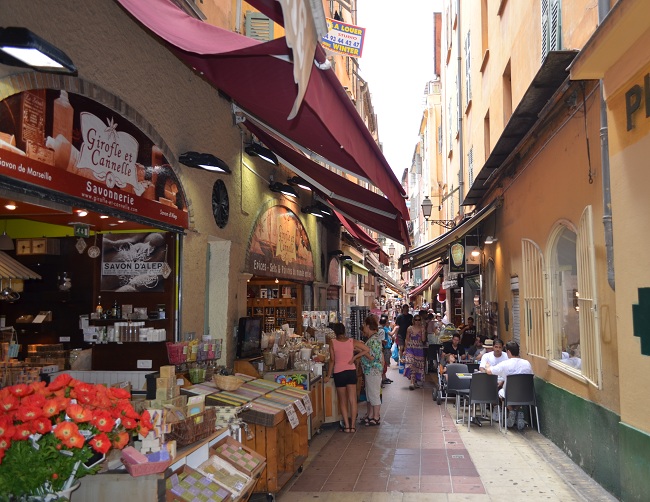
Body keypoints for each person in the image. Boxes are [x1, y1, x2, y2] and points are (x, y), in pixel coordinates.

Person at [325, 323, 370, 433]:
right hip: (351, 371)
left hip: (338, 372)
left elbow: (332, 360)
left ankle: (347, 426)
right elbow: (366, 349)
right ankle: (353, 426)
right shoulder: (351, 341)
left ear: (335, 332)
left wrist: (327, 375)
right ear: (344, 331)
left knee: (343, 401)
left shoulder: (332, 342)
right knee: (353, 400)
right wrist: (355, 356)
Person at [484, 341, 533, 430]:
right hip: (526, 395)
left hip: (509, 394)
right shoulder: (527, 363)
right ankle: (518, 411)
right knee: (518, 395)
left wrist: (487, 366)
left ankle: (511, 411)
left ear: (509, 352)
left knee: (500, 392)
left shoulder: (505, 364)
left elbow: (489, 371)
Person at [360, 315, 383, 426]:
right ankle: (371, 415)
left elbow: (373, 357)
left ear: (368, 326)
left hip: (373, 370)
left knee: (374, 393)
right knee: (370, 393)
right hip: (369, 370)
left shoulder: (374, 340)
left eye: (364, 325)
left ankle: (376, 416)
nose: (363, 327)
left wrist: (362, 352)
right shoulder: (372, 339)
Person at [404, 313, 427, 390]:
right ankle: (412, 382)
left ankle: (415, 381)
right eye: (416, 320)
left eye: (419, 320)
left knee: (417, 365)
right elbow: (407, 339)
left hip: (419, 348)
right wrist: (404, 349)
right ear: (413, 320)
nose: (417, 321)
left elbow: (423, 340)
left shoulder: (422, 328)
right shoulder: (409, 328)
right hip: (411, 347)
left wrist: (423, 332)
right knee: (411, 364)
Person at [379, 316, 393, 385]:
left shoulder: (379, 329)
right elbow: (382, 340)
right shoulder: (382, 330)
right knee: (384, 363)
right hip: (382, 349)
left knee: (384, 364)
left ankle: (384, 377)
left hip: (382, 348)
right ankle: (383, 378)